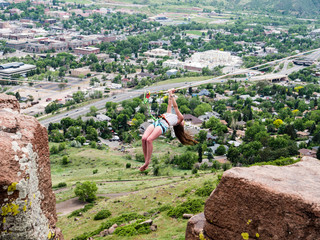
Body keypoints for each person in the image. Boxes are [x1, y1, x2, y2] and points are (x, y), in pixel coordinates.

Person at [140, 89, 198, 171]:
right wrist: (169, 94)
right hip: (157, 122)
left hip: (163, 125)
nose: (184, 122)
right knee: (144, 139)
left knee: (149, 140)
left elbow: (175, 107)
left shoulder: (180, 119)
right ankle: (146, 160)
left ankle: (147, 162)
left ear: (180, 124)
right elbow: (169, 104)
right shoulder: (170, 114)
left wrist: (171, 94)